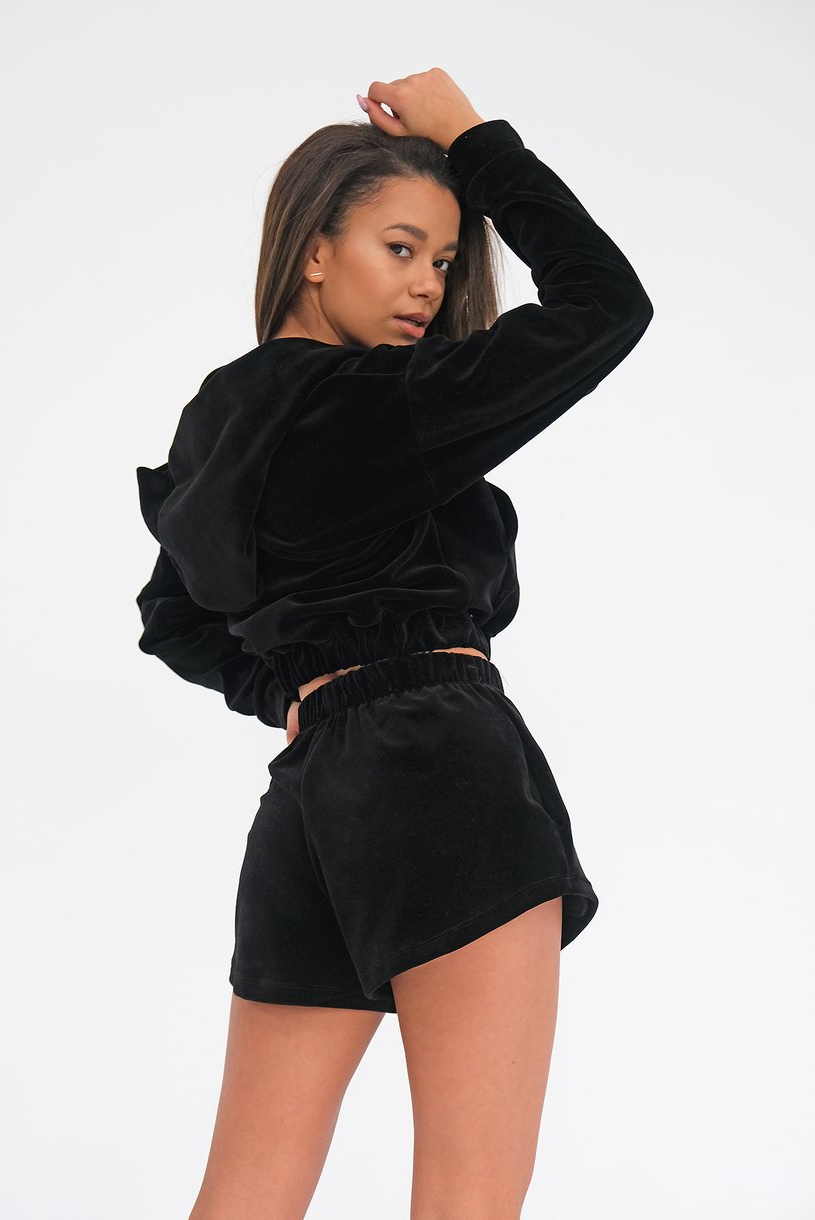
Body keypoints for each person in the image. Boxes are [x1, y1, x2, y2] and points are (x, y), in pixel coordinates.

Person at [135, 68, 653, 1220]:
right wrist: (470, 135)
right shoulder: (383, 403)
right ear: (314, 250)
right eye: (401, 247)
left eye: (444, 259)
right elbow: (604, 306)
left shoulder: (217, 424)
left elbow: (172, 612)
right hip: (439, 770)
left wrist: (293, 689)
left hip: (310, 798)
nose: (429, 284)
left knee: (245, 1194)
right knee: (468, 1196)